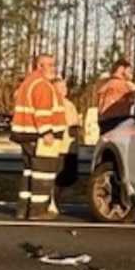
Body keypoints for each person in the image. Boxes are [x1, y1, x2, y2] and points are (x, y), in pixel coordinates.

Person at [10, 54, 66, 220]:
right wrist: (46, 132)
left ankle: (23, 209)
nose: (53, 68)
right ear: (40, 66)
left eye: (54, 65)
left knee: (29, 172)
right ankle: (38, 210)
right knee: (44, 172)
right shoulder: (42, 85)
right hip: (39, 136)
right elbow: (42, 112)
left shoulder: (27, 83)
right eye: (50, 65)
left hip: (26, 134)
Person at [51, 77, 81, 214]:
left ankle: (57, 201)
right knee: (56, 178)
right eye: (61, 87)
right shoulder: (53, 103)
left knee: (65, 179)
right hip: (59, 147)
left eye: (65, 87)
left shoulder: (69, 104)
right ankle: (51, 201)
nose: (65, 90)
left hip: (71, 147)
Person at [96, 59, 135, 133]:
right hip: (118, 122)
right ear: (121, 69)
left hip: (104, 122)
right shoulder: (122, 85)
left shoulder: (105, 86)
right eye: (129, 71)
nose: (131, 74)